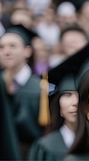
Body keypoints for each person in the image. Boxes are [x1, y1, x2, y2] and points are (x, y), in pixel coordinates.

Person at [0, 24, 44, 157]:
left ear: (27, 51)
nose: (6, 51)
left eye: (12, 46)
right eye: (1, 47)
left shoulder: (41, 89)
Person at [27, 64, 79, 160]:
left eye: (81, 95)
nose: (75, 102)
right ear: (58, 104)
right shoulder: (44, 147)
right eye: (67, 94)